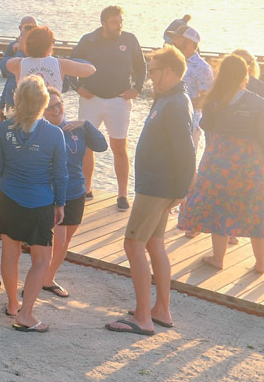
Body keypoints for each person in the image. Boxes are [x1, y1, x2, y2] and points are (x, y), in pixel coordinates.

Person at [106, 46, 195, 337]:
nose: (150, 76)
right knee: (155, 244)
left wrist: (183, 189)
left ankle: (143, 317)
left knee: (133, 245)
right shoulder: (170, 98)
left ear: (169, 72)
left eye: (154, 71)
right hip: (158, 184)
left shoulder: (176, 103)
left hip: (158, 186)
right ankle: (161, 310)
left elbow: (186, 149)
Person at [176, 55, 264, 273]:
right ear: (246, 75)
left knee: (219, 207)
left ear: (221, 75)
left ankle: (218, 259)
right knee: (256, 210)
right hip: (248, 161)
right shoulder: (258, 102)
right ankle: (261, 264)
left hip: (219, 159)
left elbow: (205, 125)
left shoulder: (215, 99)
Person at [0, 76, 67, 332]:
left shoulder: (3, 129)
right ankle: (26, 314)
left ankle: (13, 303)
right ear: (44, 102)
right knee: (41, 259)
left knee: (9, 253)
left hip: (9, 197)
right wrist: (61, 203)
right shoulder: (54, 134)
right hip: (39, 201)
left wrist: (6, 185)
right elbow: (60, 174)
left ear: (17, 100)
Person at [71, 5, 146, 208]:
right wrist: (77, 86)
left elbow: (141, 67)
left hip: (119, 100)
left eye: (121, 21)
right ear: (103, 23)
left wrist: (137, 89)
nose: (119, 25)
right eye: (114, 22)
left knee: (119, 146)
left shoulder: (129, 39)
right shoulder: (88, 40)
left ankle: (122, 194)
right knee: (86, 146)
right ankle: (86, 189)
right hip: (91, 99)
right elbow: (71, 64)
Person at [40, 87, 108, 298]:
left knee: (65, 242)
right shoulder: (39, 132)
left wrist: (87, 125)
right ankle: (42, 279)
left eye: (58, 104)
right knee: (58, 242)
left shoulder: (76, 128)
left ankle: (47, 279)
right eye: (49, 107)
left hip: (77, 191)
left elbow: (102, 146)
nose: (55, 109)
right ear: (41, 110)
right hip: (54, 193)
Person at [5, 26, 96, 91]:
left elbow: (6, 64)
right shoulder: (60, 64)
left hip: (27, 115)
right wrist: (67, 61)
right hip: (53, 113)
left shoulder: (17, 64)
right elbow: (91, 70)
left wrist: (22, 47)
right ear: (49, 44)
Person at [171, 25, 213, 149]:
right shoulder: (172, 62)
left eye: (177, 38)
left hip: (189, 123)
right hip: (168, 118)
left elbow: (207, 100)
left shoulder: (202, 68)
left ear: (189, 43)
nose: (173, 41)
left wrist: (193, 103)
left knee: (185, 164)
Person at [0, 17, 38, 118]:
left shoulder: (40, 50)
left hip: (33, 101)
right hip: (12, 98)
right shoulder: (12, 47)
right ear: (20, 28)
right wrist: (1, 105)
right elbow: (7, 77)